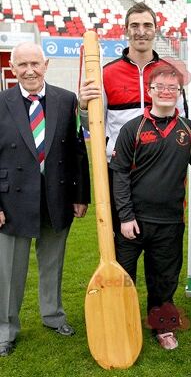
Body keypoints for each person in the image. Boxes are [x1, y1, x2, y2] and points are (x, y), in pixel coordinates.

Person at [78, 2, 188, 265]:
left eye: (147, 25)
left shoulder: (170, 73)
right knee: (122, 249)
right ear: (126, 30)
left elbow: (182, 120)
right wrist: (83, 107)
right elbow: (91, 125)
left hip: (162, 172)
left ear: (155, 30)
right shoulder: (107, 73)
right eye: (135, 26)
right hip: (120, 171)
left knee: (162, 252)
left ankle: (160, 304)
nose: (141, 31)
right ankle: (121, 302)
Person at [0, 42, 90, 357]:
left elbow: (78, 151)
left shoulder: (67, 101)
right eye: (22, 65)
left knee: (53, 264)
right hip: (12, 201)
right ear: (13, 68)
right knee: (9, 272)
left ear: (46, 64)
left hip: (57, 197)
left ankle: (53, 317)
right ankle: (5, 330)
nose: (29, 70)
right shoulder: (1, 102)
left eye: (34, 63)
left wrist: (81, 196)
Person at [109, 64, 191, 350]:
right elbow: (120, 173)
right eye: (161, 87)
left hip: (170, 221)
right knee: (124, 277)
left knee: (164, 279)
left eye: (174, 88)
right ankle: (123, 323)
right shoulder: (132, 128)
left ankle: (162, 327)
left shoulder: (188, 129)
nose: (167, 92)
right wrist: (124, 216)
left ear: (180, 93)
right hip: (132, 221)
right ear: (150, 91)